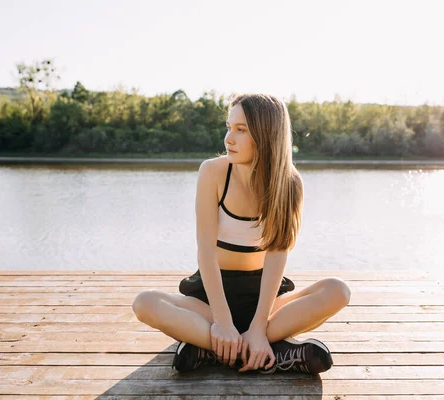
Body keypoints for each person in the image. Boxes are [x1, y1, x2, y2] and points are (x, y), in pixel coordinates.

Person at [132, 93, 351, 374]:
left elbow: (276, 256)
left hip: (264, 299)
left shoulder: (290, 183)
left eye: (241, 130)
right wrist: (222, 321)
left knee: (337, 291)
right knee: (145, 303)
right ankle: (276, 350)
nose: (228, 138)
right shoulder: (213, 172)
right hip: (211, 299)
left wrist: (259, 325)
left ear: (265, 134)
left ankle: (212, 349)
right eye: (228, 127)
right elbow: (206, 251)